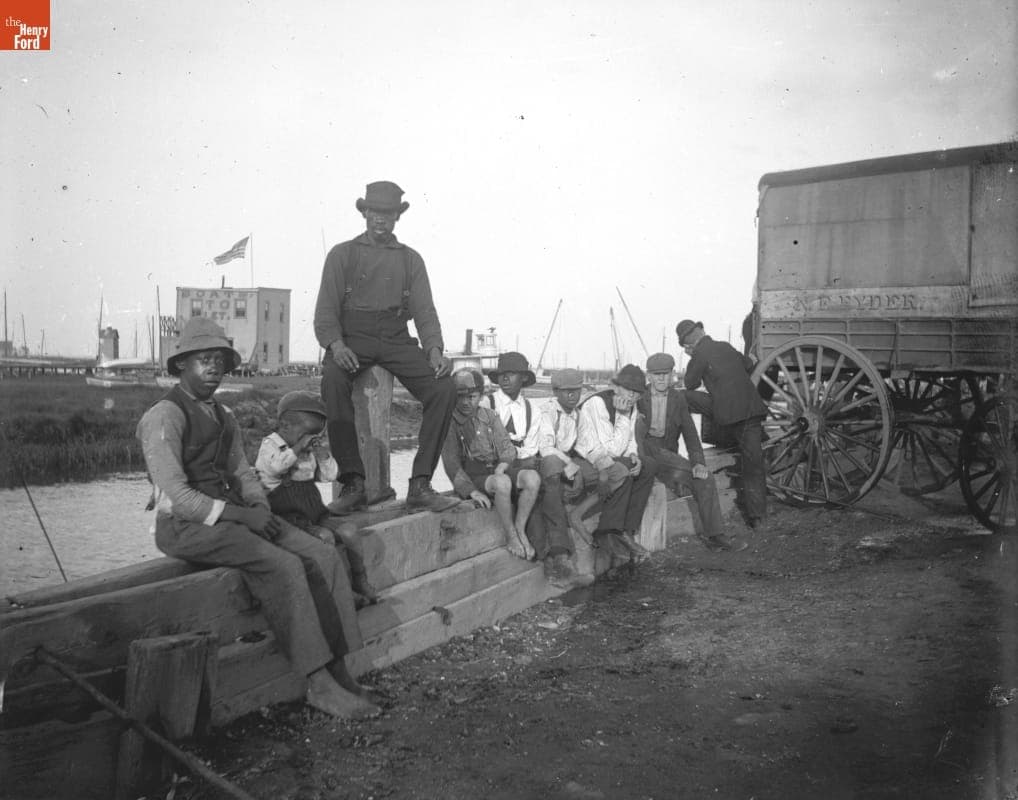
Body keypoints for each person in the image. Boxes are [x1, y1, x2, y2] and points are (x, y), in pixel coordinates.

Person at [137, 317, 378, 719]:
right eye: (202, 360)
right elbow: (177, 497)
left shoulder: (223, 415)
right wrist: (241, 516)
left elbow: (243, 474)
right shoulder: (164, 417)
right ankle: (318, 685)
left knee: (322, 554)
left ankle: (341, 670)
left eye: (218, 360)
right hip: (185, 526)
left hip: (233, 516)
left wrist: (260, 508)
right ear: (181, 365)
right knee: (282, 566)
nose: (213, 368)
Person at [314, 180, 458, 514]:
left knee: (443, 388)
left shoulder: (411, 260)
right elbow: (325, 310)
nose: (381, 219)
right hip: (353, 335)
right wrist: (336, 345)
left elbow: (424, 311)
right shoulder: (343, 254)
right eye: (375, 212)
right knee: (333, 382)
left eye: (388, 214)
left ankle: (421, 483)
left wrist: (434, 349)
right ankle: (352, 482)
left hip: (395, 336)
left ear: (397, 217)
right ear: (364, 213)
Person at [254, 390, 379, 606]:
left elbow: (330, 476)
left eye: (317, 436)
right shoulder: (271, 445)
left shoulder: (308, 452)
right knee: (325, 538)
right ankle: (339, 591)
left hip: (313, 512)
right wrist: (297, 447)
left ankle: (360, 579)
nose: (311, 441)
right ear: (285, 426)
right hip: (288, 517)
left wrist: (323, 455)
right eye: (308, 435)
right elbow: (275, 469)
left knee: (349, 531)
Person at [638, 353, 740, 551]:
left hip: (668, 457)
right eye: (656, 374)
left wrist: (698, 462)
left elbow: (691, 434)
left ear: (673, 374)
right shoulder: (639, 398)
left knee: (705, 478)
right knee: (654, 450)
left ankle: (716, 535)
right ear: (648, 376)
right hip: (644, 453)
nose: (661, 379)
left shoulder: (678, 398)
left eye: (665, 374)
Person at [677, 319, 768, 528]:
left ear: (688, 345)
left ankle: (696, 441)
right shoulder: (724, 346)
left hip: (729, 415)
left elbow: (690, 383)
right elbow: (747, 364)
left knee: (683, 397)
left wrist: (693, 359)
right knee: (753, 463)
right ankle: (759, 517)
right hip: (751, 410)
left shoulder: (699, 354)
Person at [441, 369, 537, 560]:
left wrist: (503, 465)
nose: (466, 402)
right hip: (473, 476)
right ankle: (510, 536)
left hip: (495, 471)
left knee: (532, 478)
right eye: (460, 397)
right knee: (502, 483)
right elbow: (451, 462)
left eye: (472, 396)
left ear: (481, 395)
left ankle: (520, 529)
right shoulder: (450, 422)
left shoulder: (490, 416)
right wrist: (471, 491)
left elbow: (507, 448)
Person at [575, 364, 658, 564]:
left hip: (610, 456)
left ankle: (626, 530)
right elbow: (609, 449)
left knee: (648, 465)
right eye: (629, 390)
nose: (632, 397)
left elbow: (629, 442)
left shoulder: (631, 406)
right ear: (616, 388)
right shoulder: (597, 403)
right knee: (623, 467)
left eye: (637, 393)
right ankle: (608, 531)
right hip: (587, 458)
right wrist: (622, 415)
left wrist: (634, 456)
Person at [533, 368, 595, 586]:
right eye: (566, 391)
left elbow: (586, 447)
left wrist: (598, 465)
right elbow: (546, 447)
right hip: (545, 461)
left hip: (568, 461)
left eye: (576, 391)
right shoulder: (547, 412)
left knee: (607, 474)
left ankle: (589, 520)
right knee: (552, 476)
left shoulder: (579, 414)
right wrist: (571, 466)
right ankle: (560, 556)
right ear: (556, 392)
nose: (572, 396)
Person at [486, 351, 543, 557]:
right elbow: (483, 443)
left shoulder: (532, 409)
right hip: (491, 465)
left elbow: (531, 447)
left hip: (518, 464)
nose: (505, 379)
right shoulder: (488, 404)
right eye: (502, 374)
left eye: (511, 374)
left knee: (534, 479)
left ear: (524, 378)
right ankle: (514, 537)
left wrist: (512, 452)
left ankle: (520, 530)